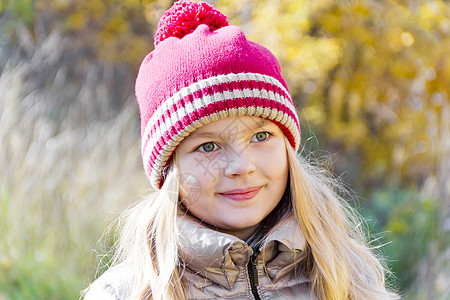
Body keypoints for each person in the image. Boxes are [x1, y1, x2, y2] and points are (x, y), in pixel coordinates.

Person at [84, 1, 400, 299]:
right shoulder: (128, 292)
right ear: (169, 169)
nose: (241, 165)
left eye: (261, 136)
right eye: (207, 146)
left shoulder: (345, 276)